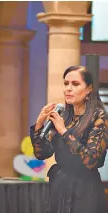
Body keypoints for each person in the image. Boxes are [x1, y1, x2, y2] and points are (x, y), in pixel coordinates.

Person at [30, 65, 108, 213]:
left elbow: (92, 160)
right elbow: (42, 154)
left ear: (89, 89)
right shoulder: (64, 116)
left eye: (75, 84)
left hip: (85, 190)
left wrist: (64, 131)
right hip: (59, 188)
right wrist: (39, 124)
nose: (68, 88)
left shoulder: (99, 117)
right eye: (66, 83)